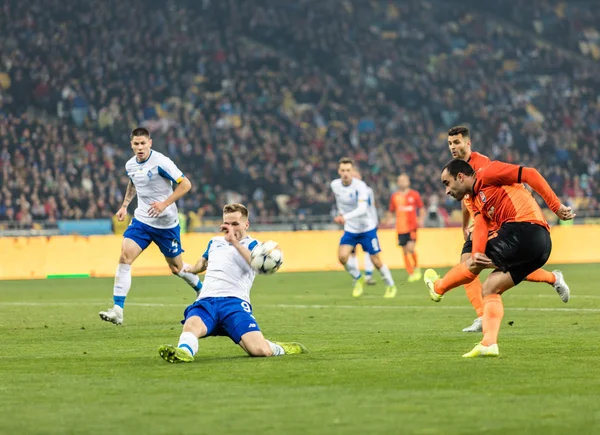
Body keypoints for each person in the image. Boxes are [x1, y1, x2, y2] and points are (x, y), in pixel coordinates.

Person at [424, 159, 574, 357]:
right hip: (539, 249)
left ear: (460, 176)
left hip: (525, 229)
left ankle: (438, 288)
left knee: (469, 264)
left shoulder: (488, 173)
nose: (446, 191)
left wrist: (555, 206)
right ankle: (489, 343)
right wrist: (478, 252)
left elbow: (530, 173)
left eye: (447, 183)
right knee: (490, 287)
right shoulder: (476, 200)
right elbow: (481, 225)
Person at [446, 125, 569, 332]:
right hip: (480, 219)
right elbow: (466, 197)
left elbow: (501, 185)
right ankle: (482, 314)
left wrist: (554, 206)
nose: (453, 147)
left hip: (500, 218)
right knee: (468, 263)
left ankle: (552, 278)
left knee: (481, 264)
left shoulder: (480, 164)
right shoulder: (456, 170)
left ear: (468, 143)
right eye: (449, 143)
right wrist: (465, 223)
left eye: (456, 142)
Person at [158, 203, 307, 363]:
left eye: (235, 224)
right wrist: (190, 270)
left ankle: (279, 348)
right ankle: (184, 352)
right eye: (227, 223)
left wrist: (234, 242)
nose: (230, 227)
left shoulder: (254, 246)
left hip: (234, 304)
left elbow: (256, 264)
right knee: (191, 324)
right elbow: (203, 263)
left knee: (259, 351)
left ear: (246, 224)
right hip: (207, 301)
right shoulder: (214, 242)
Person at [99, 127, 201, 325]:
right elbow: (133, 184)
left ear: (150, 143)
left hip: (166, 224)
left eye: (143, 143)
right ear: (131, 145)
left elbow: (186, 184)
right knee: (125, 256)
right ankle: (118, 309)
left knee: (177, 268)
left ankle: (202, 291)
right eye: (136, 144)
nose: (139, 147)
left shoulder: (161, 162)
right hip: (142, 221)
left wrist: (164, 203)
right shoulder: (130, 165)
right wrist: (124, 206)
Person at [331, 157, 397, 298]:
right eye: (342, 170)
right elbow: (340, 203)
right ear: (338, 171)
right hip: (351, 229)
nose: (345, 173)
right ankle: (358, 277)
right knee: (342, 257)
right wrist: (340, 214)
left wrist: (344, 217)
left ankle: (390, 285)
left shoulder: (361, 186)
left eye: (348, 170)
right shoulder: (335, 185)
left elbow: (362, 208)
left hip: (367, 228)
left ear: (352, 171)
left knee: (376, 261)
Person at [387, 174, 424, 282]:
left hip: (412, 227)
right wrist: (390, 219)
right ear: (398, 183)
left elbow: (421, 208)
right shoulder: (395, 196)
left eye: (404, 180)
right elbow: (391, 210)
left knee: (410, 248)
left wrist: (421, 219)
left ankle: (416, 267)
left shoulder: (414, 195)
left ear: (408, 182)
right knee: (404, 251)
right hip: (400, 228)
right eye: (400, 180)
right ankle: (411, 273)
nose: (402, 182)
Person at [347, 167, 377, 285]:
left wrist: (374, 222)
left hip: (367, 225)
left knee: (369, 250)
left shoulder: (367, 190)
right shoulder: (346, 191)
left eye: (356, 175)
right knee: (352, 251)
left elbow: (371, 207)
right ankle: (356, 276)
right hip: (352, 225)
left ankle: (368, 275)